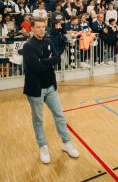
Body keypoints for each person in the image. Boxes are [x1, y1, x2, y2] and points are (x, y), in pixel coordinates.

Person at [22, 16, 79, 164]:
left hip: (50, 87)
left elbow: (57, 58)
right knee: (38, 120)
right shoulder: (28, 46)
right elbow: (36, 67)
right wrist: (48, 61)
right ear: (32, 28)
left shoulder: (48, 41)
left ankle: (66, 143)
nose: (42, 29)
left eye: (43, 26)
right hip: (35, 89)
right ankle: (43, 147)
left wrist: (44, 61)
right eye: (38, 27)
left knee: (59, 115)